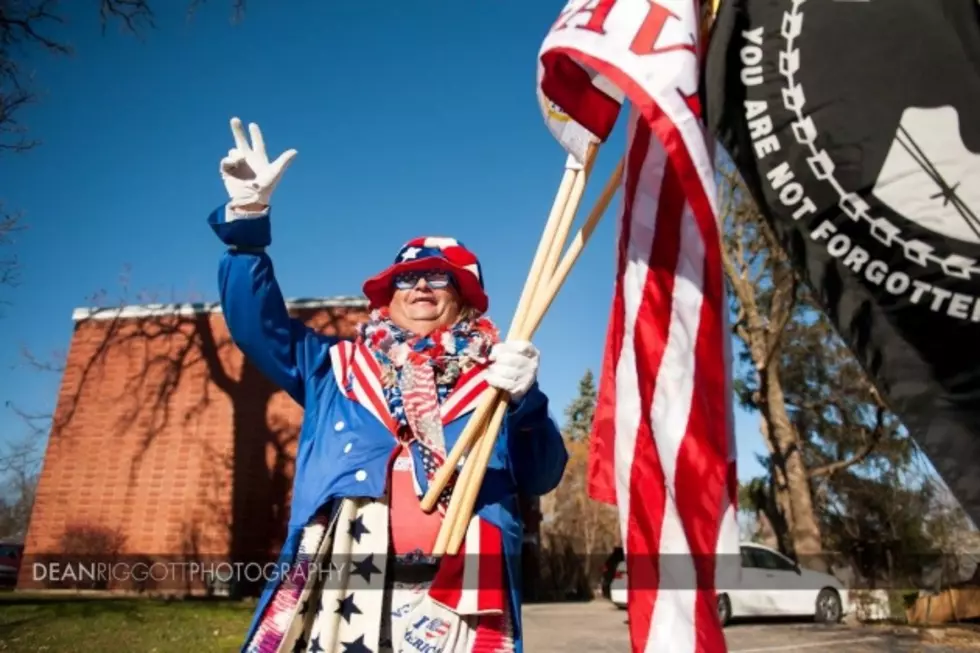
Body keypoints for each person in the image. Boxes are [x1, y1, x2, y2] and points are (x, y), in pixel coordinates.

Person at [208, 117, 569, 653]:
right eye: (407, 277)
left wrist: (527, 404)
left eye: (439, 276)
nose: (421, 284)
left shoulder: (496, 378)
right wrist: (246, 225)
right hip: (341, 589)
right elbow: (254, 324)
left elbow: (540, 475)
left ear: (465, 298)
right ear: (387, 296)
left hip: (459, 596)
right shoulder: (336, 365)